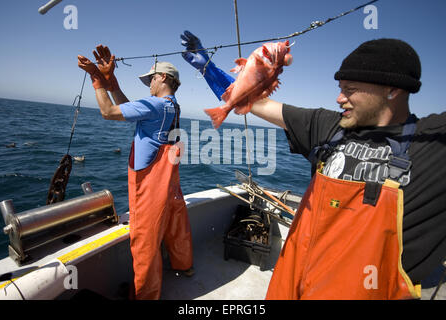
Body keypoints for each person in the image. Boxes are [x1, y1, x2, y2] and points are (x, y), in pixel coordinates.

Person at [180, 31, 446, 299]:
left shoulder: (432, 146)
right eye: (340, 88)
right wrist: (207, 69)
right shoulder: (327, 126)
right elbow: (246, 100)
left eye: (350, 89)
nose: (339, 98)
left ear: (392, 89)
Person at [78, 45, 193, 300]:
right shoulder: (170, 107)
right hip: (167, 180)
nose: (149, 84)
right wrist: (113, 83)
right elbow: (133, 110)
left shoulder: (156, 105)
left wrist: (97, 79)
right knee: (175, 221)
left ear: (163, 78)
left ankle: (145, 295)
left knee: (145, 241)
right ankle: (184, 266)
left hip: (149, 185)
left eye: (151, 79)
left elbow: (108, 112)